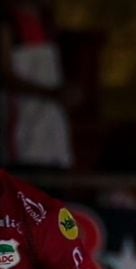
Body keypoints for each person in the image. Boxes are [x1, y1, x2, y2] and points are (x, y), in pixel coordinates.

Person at [0, 0, 73, 170]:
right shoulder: (7, 22)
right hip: (21, 136)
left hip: (52, 135)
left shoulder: (46, 22)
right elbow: (5, 76)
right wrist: (50, 93)